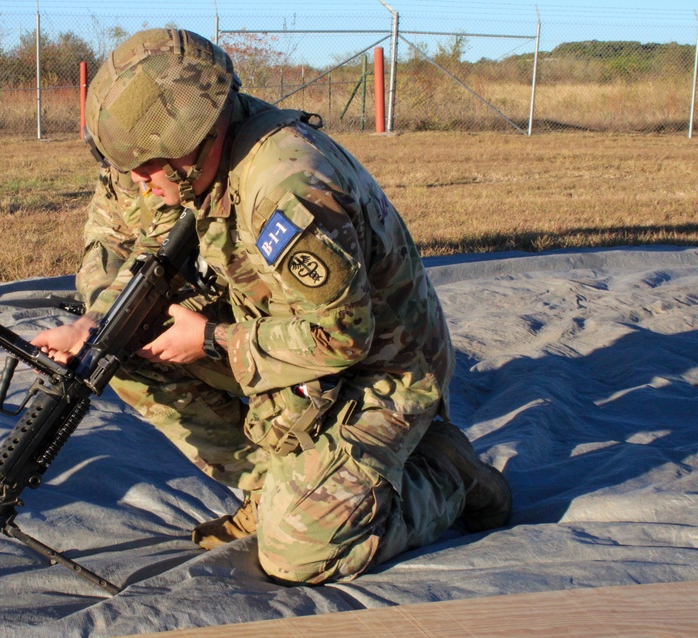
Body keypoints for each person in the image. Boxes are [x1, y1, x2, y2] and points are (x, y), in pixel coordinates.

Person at [32, 28, 512, 584]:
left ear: (204, 139)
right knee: (123, 353)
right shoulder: (195, 165)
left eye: (148, 166)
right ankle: (276, 488)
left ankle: (445, 476)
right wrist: (99, 324)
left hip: (383, 366)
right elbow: (151, 250)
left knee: (297, 555)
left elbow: (343, 336)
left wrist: (211, 341)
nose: (137, 183)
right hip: (283, 338)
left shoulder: (285, 185)